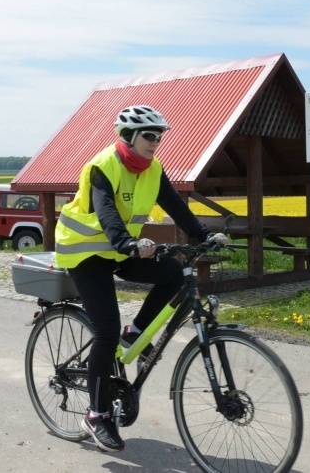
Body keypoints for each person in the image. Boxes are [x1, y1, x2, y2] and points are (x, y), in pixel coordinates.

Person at [54, 105, 228, 452]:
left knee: (175, 274)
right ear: (130, 137)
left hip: (119, 250)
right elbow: (105, 209)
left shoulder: (152, 169)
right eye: (149, 135)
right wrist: (127, 243)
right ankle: (96, 414)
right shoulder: (104, 165)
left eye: (159, 136)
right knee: (105, 331)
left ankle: (134, 333)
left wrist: (201, 235)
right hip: (85, 252)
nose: (156, 142)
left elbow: (175, 205)